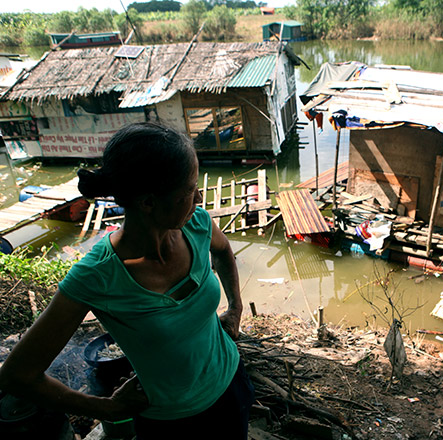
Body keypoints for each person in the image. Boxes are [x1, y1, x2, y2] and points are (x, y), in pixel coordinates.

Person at [0, 123, 254, 439]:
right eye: (189, 190)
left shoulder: (197, 225)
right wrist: (106, 408)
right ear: (148, 202)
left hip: (231, 385)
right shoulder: (97, 275)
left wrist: (236, 308)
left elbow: (224, 251)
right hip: (173, 422)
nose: (199, 197)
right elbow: (18, 375)